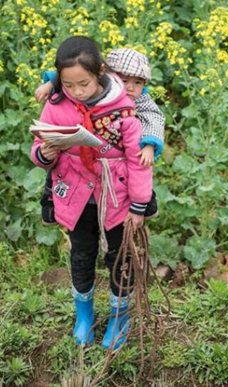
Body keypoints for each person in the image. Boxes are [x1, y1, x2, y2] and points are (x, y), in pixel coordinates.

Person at [30, 36, 153, 350]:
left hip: (117, 196)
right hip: (76, 195)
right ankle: (83, 314)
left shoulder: (124, 109)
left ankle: (119, 316)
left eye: (83, 83)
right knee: (81, 254)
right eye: (69, 85)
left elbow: (138, 162)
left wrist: (138, 206)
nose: (77, 92)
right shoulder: (57, 104)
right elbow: (38, 150)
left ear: (100, 71)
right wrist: (46, 150)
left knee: (120, 256)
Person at [35, 48, 165, 225]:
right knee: (60, 168)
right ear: (106, 75)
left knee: (138, 169)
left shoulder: (141, 100)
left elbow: (154, 118)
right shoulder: (91, 89)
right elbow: (72, 73)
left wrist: (149, 145)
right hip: (84, 166)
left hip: (125, 156)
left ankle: (145, 203)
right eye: (124, 80)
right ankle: (50, 200)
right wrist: (50, 84)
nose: (130, 88)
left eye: (138, 82)